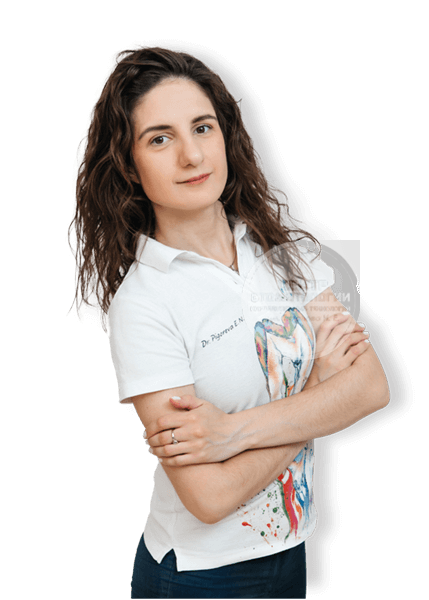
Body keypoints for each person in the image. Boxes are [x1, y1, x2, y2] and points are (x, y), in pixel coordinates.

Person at [68, 43, 389, 599]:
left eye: (203, 128)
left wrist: (231, 433)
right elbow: (209, 496)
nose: (192, 155)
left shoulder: (283, 256)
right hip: (200, 576)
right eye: (160, 139)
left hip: (292, 550)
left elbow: (371, 387)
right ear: (128, 165)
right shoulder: (143, 303)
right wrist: (319, 389)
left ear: (226, 136)